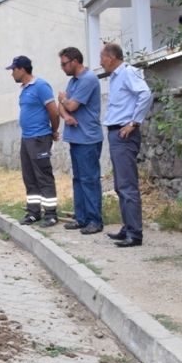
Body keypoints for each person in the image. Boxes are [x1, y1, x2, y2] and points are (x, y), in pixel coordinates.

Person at [100, 42, 153, 247]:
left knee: (127, 184)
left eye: (102, 58)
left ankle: (135, 233)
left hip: (124, 134)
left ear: (111, 57)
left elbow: (145, 94)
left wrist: (134, 122)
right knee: (120, 185)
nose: (100, 62)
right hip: (116, 133)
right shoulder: (116, 77)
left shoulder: (128, 72)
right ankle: (128, 226)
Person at [6, 55, 61, 228]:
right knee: (29, 177)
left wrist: (53, 131)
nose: (12, 74)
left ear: (22, 70)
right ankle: (33, 212)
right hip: (27, 138)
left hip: (39, 138)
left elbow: (54, 113)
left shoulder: (41, 86)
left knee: (43, 176)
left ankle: (51, 214)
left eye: (13, 70)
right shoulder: (24, 88)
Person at [57, 47, 104, 235]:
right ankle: (82, 218)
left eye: (64, 64)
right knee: (78, 180)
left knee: (89, 180)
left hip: (88, 139)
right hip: (76, 138)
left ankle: (95, 220)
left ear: (74, 61)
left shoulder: (88, 79)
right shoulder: (73, 81)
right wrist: (66, 114)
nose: (61, 67)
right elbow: (61, 107)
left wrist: (64, 102)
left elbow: (71, 104)